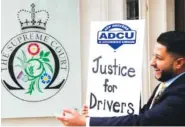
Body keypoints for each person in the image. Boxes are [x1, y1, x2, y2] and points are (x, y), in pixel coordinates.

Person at [56, 31, 185, 126]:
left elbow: (143, 121)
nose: (152, 62)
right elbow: (144, 114)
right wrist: (99, 112)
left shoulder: (181, 92)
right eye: (153, 56)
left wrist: (85, 122)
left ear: (179, 63)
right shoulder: (166, 84)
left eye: (159, 58)